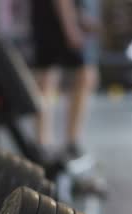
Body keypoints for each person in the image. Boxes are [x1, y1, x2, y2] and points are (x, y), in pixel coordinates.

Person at [31, 0, 100, 160]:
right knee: (47, 75)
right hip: (54, 15)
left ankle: (70, 143)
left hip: (75, 13)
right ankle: (43, 143)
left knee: (85, 75)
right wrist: (70, 27)